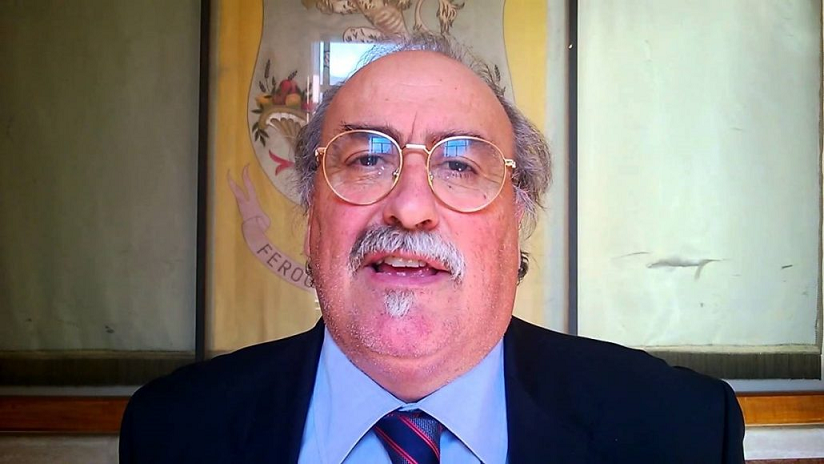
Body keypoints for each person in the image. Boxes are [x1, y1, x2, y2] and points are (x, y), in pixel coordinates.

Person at [120, 35, 745, 463]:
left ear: (516, 221)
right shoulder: (174, 431)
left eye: (461, 166)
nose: (410, 206)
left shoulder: (678, 430)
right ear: (312, 216)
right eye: (366, 159)